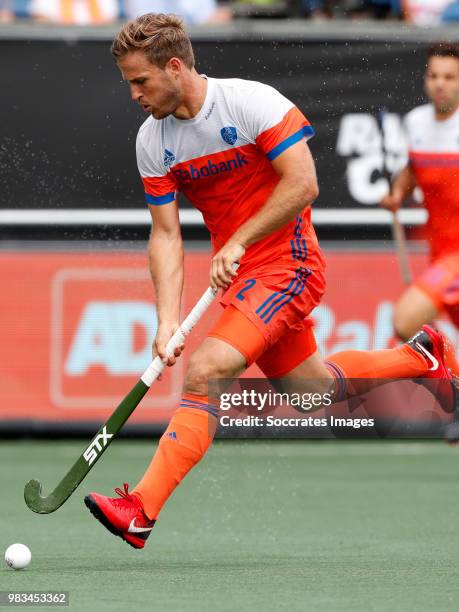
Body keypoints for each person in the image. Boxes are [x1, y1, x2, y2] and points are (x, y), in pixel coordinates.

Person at [84, 14, 454, 550]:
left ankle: (140, 508)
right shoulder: (152, 141)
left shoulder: (251, 103)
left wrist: (238, 240)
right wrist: (167, 318)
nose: (134, 94)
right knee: (311, 392)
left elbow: (304, 183)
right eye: (128, 84)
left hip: (290, 261)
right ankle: (423, 357)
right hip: (243, 277)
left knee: (206, 369)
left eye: (140, 81)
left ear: (173, 66)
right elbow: (165, 235)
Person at [380, 43, 459, 368]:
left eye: (450, 77)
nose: (440, 83)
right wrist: (397, 192)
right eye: (434, 75)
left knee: (407, 320)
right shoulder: (416, 122)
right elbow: (412, 169)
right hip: (439, 252)